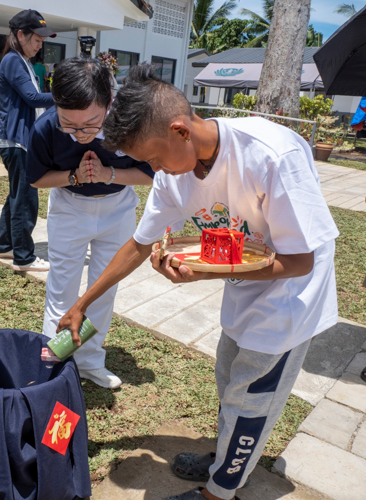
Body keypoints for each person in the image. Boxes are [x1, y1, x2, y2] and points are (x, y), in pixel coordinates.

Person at [59, 64, 338, 500]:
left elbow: (302, 259)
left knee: (253, 398)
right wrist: (82, 304)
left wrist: (212, 271)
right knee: (229, 378)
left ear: (181, 131)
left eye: (153, 158)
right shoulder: (174, 169)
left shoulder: (270, 154)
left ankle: (219, 491)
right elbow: (139, 243)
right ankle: (227, 457)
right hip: (246, 281)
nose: (154, 170)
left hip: (292, 294)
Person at [27, 57, 154, 389]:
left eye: (90, 125)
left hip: (118, 211)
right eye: (69, 124)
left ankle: (89, 361)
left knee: (104, 288)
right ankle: (53, 362)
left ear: (109, 103)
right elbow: (37, 179)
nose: (80, 134)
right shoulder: (45, 128)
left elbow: (148, 174)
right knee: (62, 287)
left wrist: (109, 174)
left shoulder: (130, 125)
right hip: (70, 209)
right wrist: (74, 176)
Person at [0, 9, 56, 272]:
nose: (40, 44)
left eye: (42, 40)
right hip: (16, 141)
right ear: (20, 35)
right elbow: (32, 98)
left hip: (20, 141)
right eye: (37, 39)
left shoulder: (23, 61)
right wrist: (66, 95)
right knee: (26, 199)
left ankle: (3, 245)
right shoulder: (13, 61)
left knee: (17, 195)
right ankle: (24, 257)